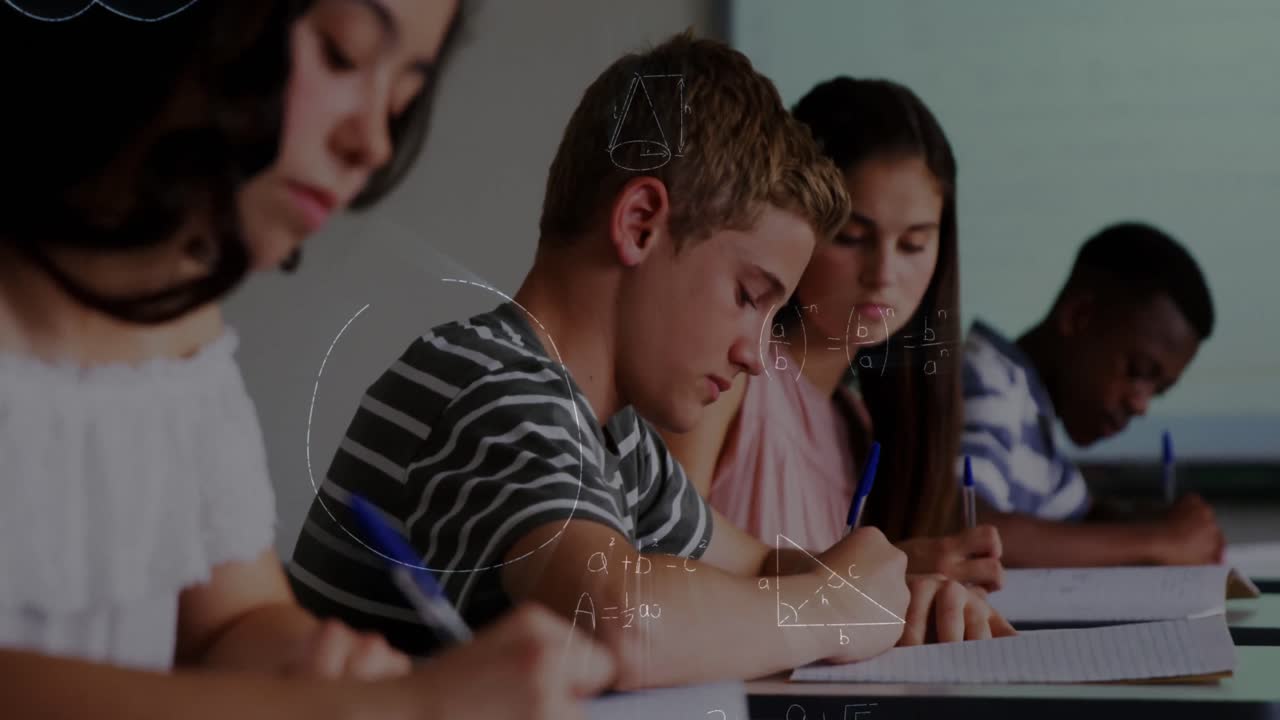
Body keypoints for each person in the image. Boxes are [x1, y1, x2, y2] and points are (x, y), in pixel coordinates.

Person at [291, 33, 1011, 692]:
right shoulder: (493, 387)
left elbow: (757, 566)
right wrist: (834, 605)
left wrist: (896, 586)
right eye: (747, 296)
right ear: (640, 224)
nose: (758, 356)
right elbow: (621, 621)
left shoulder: (616, 436)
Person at [0, 2, 612, 718]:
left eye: (402, 97)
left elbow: (231, 622)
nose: (375, 143)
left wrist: (322, 665)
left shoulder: (182, 332)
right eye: (343, 55)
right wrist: (396, 709)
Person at [661, 77, 1006, 592]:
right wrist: (852, 584)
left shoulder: (859, 426)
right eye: (851, 237)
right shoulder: (723, 378)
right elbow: (656, 573)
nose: (883, 273)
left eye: (913, 245)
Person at [960, 222, 1223, 567]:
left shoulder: (1039, 426)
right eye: (1139, 372)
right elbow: (966, 527)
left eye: (1159, 391)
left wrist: (1169, 525)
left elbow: (1078, 521)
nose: (1141, 405)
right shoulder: (986, 377)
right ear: (1078, 316)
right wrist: (1160, 540)